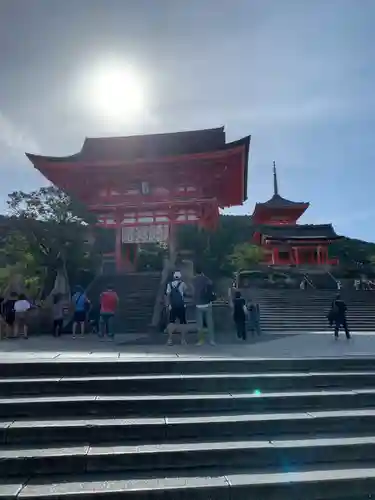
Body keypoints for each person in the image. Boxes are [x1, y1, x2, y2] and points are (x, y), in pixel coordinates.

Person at [193, 266, 215, 346]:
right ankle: (211, 340)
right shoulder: (207, 279)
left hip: (199, 304)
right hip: (208, 304)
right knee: (210, 323)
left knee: (200, 324)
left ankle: (200, 340)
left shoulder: (194, 280)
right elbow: (212, 288)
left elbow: (193, 291)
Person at [165, 271, 187, 345]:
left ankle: (170, 339)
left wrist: (168, 305)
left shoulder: (169, 284)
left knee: (171, 322)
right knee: (182, 323)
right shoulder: (183, 284)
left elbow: (167, 295)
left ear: (174, 277)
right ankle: (183, 340)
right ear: (180, 277)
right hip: (181, 305)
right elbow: (186, 292)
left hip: (173, 305)